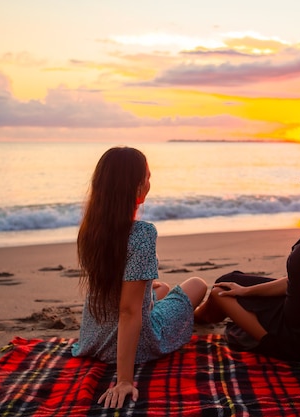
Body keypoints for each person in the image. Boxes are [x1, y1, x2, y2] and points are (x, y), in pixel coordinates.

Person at [195, 128, 300, 417]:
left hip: (299, 336)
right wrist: (247, 291)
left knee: (219, 292)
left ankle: (190, 317)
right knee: (232, 282)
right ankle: (198, 312)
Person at [72, 147, 208, 408]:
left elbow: (116, 292)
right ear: (136, 189)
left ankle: (166, 303)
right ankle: (188, 317)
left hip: (93, 336)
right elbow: (129, 310)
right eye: (147, 177)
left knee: (162, 287)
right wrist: (124, 379)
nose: (149, 182)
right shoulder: (142, 234)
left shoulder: (89, 230)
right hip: (129, 342)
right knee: (197, 285)